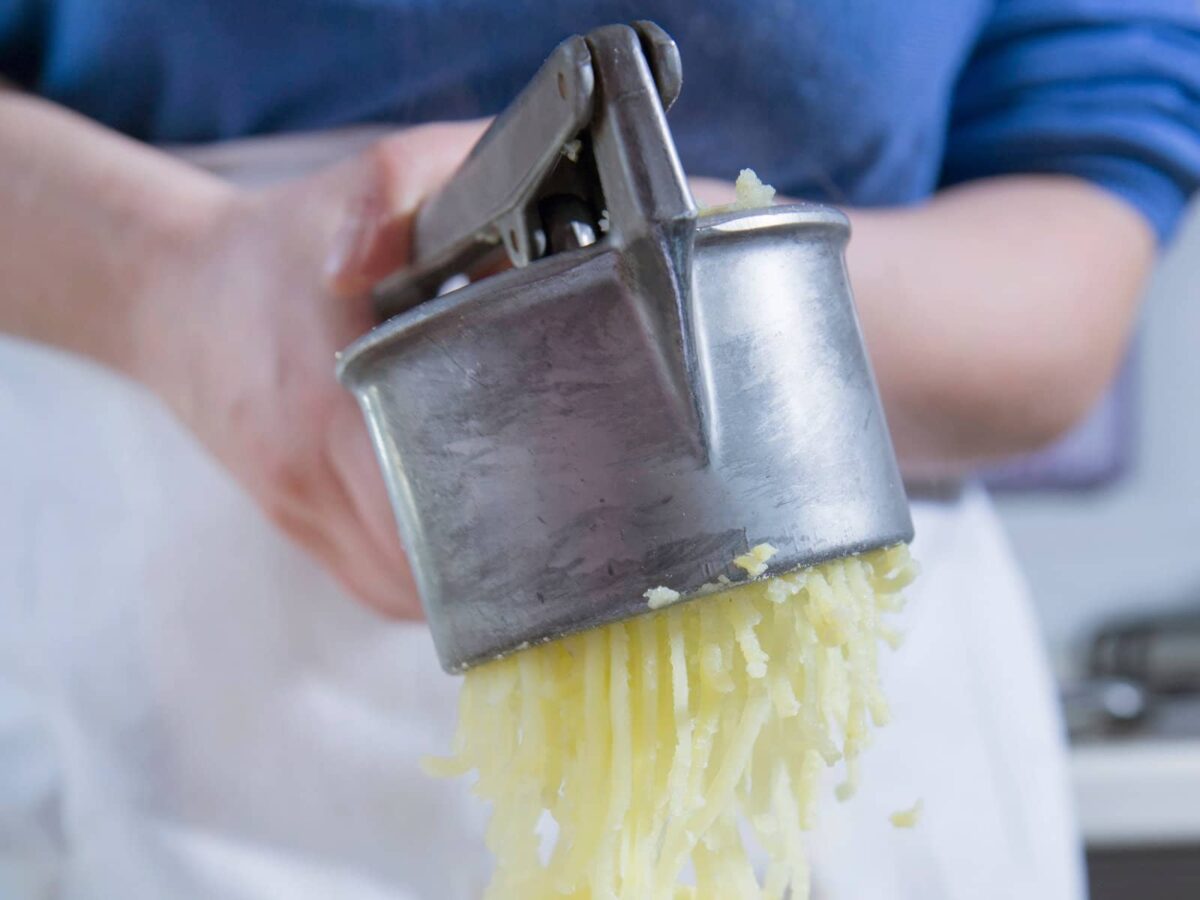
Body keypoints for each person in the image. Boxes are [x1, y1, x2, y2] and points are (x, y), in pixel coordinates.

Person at [1, 1, 1197, 898]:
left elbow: (1084, 209)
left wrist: (738, 288)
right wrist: (162, 278)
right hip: (177, 656)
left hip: (841, 739)